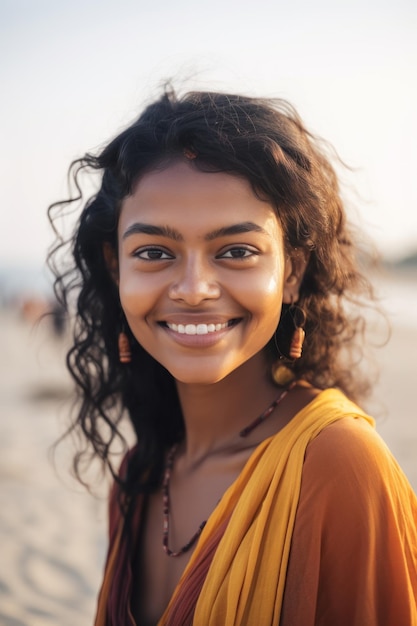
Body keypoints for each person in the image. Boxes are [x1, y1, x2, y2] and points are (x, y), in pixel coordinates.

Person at [48, 88, 417, 626]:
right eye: (153, 252)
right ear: (114, 268)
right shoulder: (141, 474)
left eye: (237, 251)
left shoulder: (339, 464)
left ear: (290, 272)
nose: (194, 288)